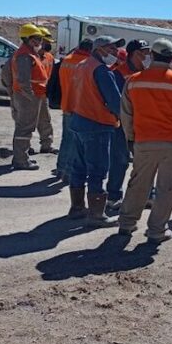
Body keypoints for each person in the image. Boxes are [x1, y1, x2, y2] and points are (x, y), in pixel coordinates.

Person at [117, 39, 172, 243]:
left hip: (144, 142)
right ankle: (156, 230)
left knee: (138, 184)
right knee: (168, 189)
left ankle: (127, 223)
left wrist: (131, 138)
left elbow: (126, 114)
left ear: (152, 56)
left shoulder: (134, 80)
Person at [68, 35, 126, 226]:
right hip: (97, 124)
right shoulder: (102, 70)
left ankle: (77, 208)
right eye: (111, 49)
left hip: (78, 122)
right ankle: (96, 214)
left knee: (78, 167)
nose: (115, 53)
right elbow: (114, 101)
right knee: (98, 170)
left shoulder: (82, 65)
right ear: (99, 50)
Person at [107, 40, 151, 210]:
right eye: (144, 52)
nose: (147, 56)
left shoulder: (146, 72)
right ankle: (113, 196)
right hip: (124, 125)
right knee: (120, 160)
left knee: (146, 162)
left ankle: (147, 195)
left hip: (145, 123)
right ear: (134, 54)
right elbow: (117, 102)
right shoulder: (119, 73)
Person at [6, 24, 48, 170]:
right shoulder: (25, 55)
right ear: (28, 39)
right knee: (25, 129)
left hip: (29, 96)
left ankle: (22, 157)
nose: (39, 42)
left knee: (24, 128)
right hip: (28, 97)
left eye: (40, 39)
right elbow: (23, 80)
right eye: (36, 39)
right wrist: (30, 97)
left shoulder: (28, 53)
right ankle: (21, 160)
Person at [55, 39, 93, 183]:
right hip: (79, 107)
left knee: (66, 139)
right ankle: (68, 172)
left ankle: (60, 168)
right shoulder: (86, 63)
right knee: (75, 142)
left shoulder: (67, 60)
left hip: (66, 104)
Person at [35, 27, 57, 156]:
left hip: (43, 94)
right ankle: (25, 148)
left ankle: (46, 145)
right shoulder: (30, 57)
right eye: (46, 42)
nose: (48, 45)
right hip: (30, 95)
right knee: (28, 122)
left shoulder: (49, 57)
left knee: (45, 120)